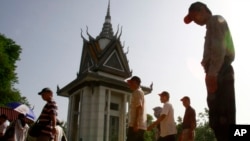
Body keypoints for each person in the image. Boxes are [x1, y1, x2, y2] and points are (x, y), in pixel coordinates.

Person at [184, 2, 235, 141]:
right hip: (217, 70)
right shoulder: (210, 27)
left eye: (194, 17)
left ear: (202, 10)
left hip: (220, 71)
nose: (194, 21)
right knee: (217, 120)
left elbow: (219, 48)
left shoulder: (215, 20)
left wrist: (212, 73)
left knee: (223, 119)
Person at [126, 76, 147, 141]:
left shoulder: (137, 92)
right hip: (140, 125)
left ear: (135, 82)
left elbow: (139, 107)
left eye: (130, 83)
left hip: (136, 125)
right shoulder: (140, 92)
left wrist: (136, 122)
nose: (129, 85)